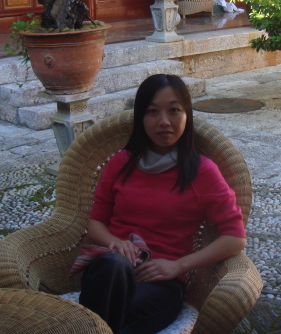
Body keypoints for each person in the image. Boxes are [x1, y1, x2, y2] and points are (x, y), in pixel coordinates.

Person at [78, 74, 246, 334]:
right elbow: (96, 223)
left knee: (116, 319)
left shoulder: (202, 172)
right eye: (153, 112)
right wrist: (115, 243)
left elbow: (235, 238)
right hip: (111, 272)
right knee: (114, 266)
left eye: (174, 110)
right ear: (141, 118)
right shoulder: (120, 163)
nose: (164, 121)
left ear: (187, 115)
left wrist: (179, 265)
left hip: (162, 282)